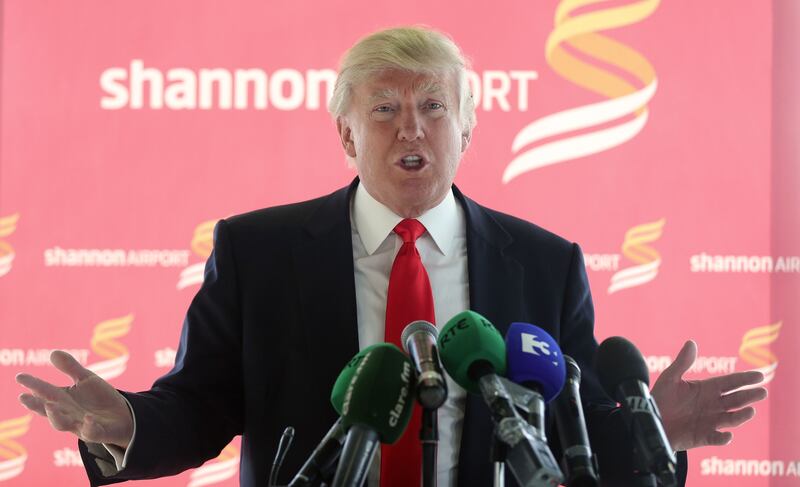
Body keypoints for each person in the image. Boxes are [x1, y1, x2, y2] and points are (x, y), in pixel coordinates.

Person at [16, 26, 766, 487]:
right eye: (385, 109)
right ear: (346, 134)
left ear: (466, 129)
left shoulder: (546, 263)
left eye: (433, 108)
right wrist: (129, 426)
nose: (412, 129)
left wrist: (645, 426)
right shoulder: (258, 253)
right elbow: (202, 402)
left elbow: (573, 434)